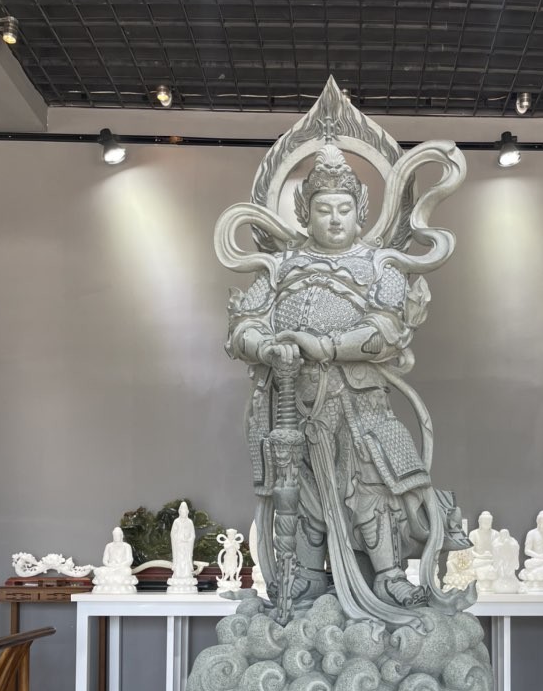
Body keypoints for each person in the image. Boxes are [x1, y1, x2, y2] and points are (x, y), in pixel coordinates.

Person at [226, 145, 468, 621]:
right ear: (304, 213)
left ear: (360, 212)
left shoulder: (380, 267)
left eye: (343, 208)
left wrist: (326, 347)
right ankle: (307, 575)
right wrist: (267, 348)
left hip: (359, 400)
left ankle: (389, 574)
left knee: (374, 483)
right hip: (293, 402)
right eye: (323, 209)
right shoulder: (282, 268)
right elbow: (240, 329)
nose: (334, 219)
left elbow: (388, 331)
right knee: (301, 488)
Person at [170, 501, 195, 580]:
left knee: (186, 560)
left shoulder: (190, 522)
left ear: (187, 512)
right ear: (179, 512)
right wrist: (179, 538)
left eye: (185, 511)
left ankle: (187, 574)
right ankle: (178, 574)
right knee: (179, 559)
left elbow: (193, 535)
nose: (183, 513)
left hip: (187, 546)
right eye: (182, 511)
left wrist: (188, 539)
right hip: (179, 545)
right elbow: (172, 534)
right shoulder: (176, 522)